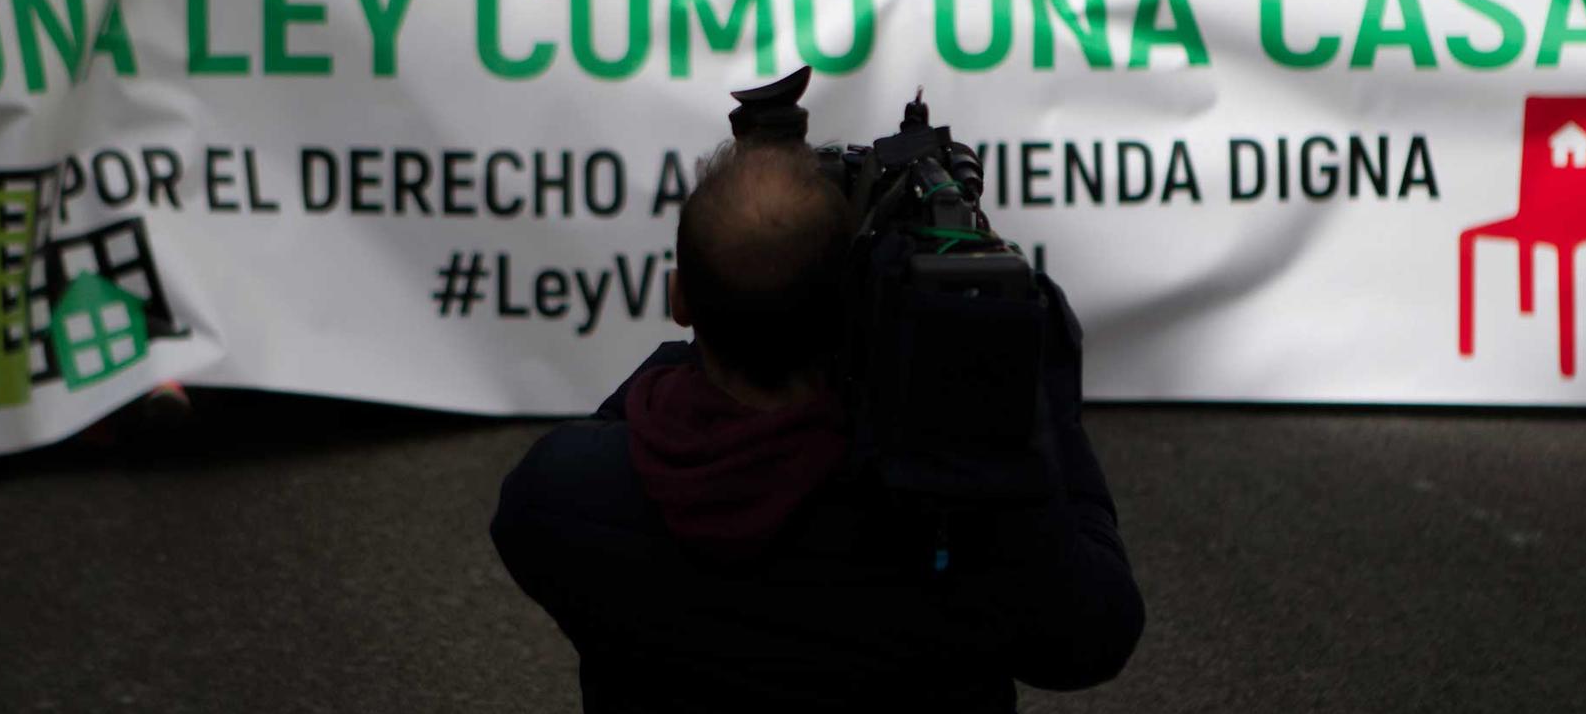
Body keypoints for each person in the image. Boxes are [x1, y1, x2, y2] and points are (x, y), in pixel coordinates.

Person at [491, 140, 1145, 711]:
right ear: (857, 304)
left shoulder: (558, 496)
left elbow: (624, 424)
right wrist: (1041, 414)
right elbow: (1093, 639)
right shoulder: (964, 503)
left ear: (680, 299)